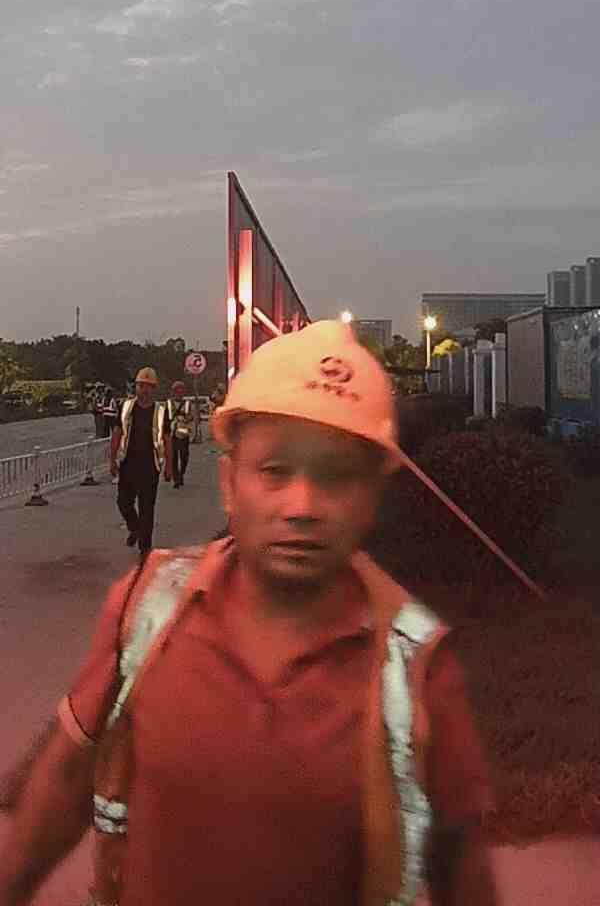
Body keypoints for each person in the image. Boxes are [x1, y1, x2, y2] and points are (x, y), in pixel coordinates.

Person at [0, 322, 496, 906]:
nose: (303, 507)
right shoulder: (147, 606)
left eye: (337, 476)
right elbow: (64, 778)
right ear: (229, 484)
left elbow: (464, 871)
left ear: (372, 498)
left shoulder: (418, 671)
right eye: (275, 470)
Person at [110, 367, 172, 556]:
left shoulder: (161, 411)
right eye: (141, 385)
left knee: (147, 508)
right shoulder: (126, 407)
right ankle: (134, 527)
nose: (144, 390)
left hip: (150, 465)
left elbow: (167, 438)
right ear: (136, 387)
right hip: (128, 464)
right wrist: (112, 459)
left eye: (148, 386)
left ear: (154, 389)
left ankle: (145, 547)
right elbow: (117, 433)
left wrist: (169, 466)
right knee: (123, 502)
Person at [166, 381, 195, 488]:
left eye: (181, 391)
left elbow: (192, 417)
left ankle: (181, 474)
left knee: (184, 457)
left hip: (183, 434)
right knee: (173, 457)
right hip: (172, 434)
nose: (179, 393)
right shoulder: (169, 404)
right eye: (177, 391)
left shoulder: (187, 404)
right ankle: (176, 479)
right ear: (173, 392)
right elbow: (165, 418)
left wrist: (186, 418)